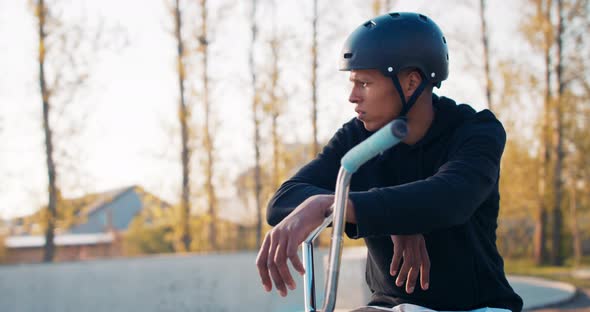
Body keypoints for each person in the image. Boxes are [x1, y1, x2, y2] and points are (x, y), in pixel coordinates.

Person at [255, 12, 523, 312]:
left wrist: (334, 205)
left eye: (364, 83)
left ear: (411, 83)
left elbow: (451, 198)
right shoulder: (356, 138)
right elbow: (283, 201)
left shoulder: (475, 131)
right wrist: (397, 221)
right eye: (352, 83)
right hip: (389, 306)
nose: (352, 97)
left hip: (475, 307)